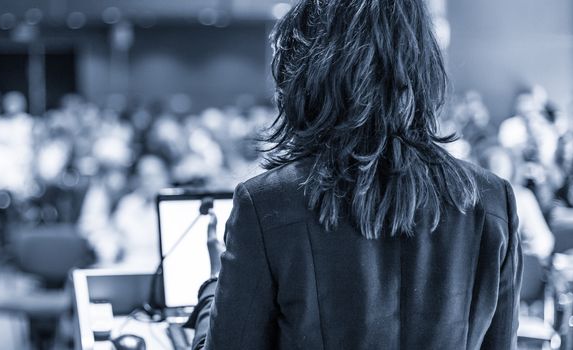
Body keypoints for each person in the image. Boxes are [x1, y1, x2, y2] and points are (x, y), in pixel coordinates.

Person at [187, 1, 521, 349]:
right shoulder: (493, 202)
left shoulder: (266, 204)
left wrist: (213, 289)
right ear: (424, 65)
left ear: (304, 72)